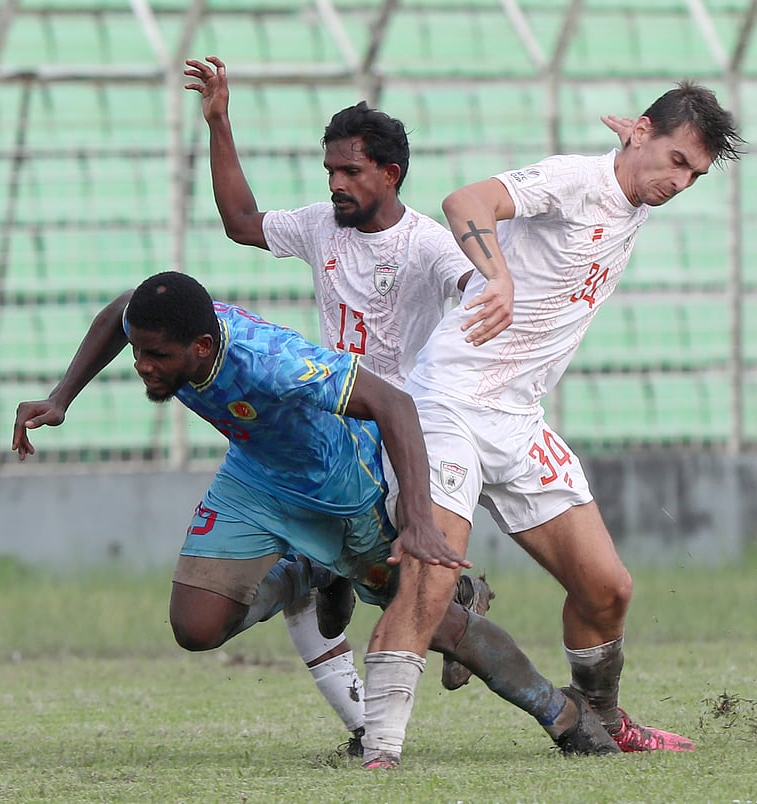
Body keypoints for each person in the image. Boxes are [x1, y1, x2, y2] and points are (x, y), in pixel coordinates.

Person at [12, 271, 622, 769]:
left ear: (201, 348)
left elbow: (394, 404)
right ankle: (312, 573)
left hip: (339, 490)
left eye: (156, 355)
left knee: (428, 617)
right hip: (255, 477)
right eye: (139, 350)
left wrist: (417, 521)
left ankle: (563, 716)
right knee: (195, 627)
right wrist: (62, 396)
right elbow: (118, 311)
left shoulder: (274, 362)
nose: (142, 364)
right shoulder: (166, 328)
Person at [356, 81, 745, 767]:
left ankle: (600, 719)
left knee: (608, 588)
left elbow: (635, 175)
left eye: (694, 174)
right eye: (678, 161)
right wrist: (496, 275)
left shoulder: (636, 188)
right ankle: (381, 752)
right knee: (432, 578)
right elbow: (465, 202)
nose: (681, 182)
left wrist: (641, 146)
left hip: (515, 415)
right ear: (647, 133)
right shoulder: (574, 179)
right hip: (448, 399)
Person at [182, 54, 513, 741]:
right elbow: (242, 220)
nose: (335, 184)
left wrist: (492, 291)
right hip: (335, 425)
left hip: (399, 434)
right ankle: (370, 711)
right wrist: (219, 121)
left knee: (395, 587)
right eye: (330, 170)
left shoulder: (426, 245)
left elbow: (471, 283)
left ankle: (450, 607)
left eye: (350, 171)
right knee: (315, 594)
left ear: (389, 175)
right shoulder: (319, 226)